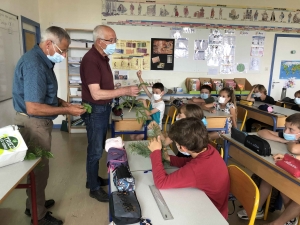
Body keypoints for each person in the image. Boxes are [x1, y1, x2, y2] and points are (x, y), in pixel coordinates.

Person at [13, 26, 86, 225]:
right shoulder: (35, 64)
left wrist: (64, 103)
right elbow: (34, 107)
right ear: (48, 44)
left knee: (38, 168)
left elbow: (46, 94)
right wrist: (67, 112)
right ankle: (39, 215)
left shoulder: (43, 61)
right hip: (34, 124)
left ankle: (35, 204)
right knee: (39, 170)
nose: (64, 54)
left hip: (35, 122)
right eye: (63, 50)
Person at [80, 25, 139, 203]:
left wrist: (115, 89)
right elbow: (96, 94)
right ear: (99, 41)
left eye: (115, 39)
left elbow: (102, 88)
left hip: (102, 108)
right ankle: (94, 188)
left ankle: (93, 180)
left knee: (97, 146)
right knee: (96, 149)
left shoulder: (103, 57)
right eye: (111, 40)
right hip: (96, 109)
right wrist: (125, 91)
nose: (114, 43)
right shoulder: (91, 60)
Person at [147, 118, 230, 219]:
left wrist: (155, 152)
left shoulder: (196, 169)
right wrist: (170, 158)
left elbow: (161, 183)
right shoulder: (209, 149)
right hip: (214, 206)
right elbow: (191, 162)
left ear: (182, 148)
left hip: (211, 215)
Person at [238, 113, 300, 225]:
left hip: (296, 178)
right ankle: (258, 210)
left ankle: (287, 219)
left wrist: (289, 142)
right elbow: (262, 132)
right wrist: (283, 140)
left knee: (286, 191)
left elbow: (295, 149)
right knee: (268, 177)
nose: (286, 132)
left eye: (291, 129)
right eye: (285, 128)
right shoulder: (290, 135)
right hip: (292, 170)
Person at [130, 70, 165, 140]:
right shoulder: (153, 98)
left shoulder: (161, 105)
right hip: (148, 124)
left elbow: (148, 113)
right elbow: (144, 87)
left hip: (155, 128)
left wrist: (144, 102)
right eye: (153, 92)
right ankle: (138, 148)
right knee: (132, 134)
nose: (154, 94)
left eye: (157, 92)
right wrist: (139, 77)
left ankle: (141, 149)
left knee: (138, 137)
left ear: (162, 93)